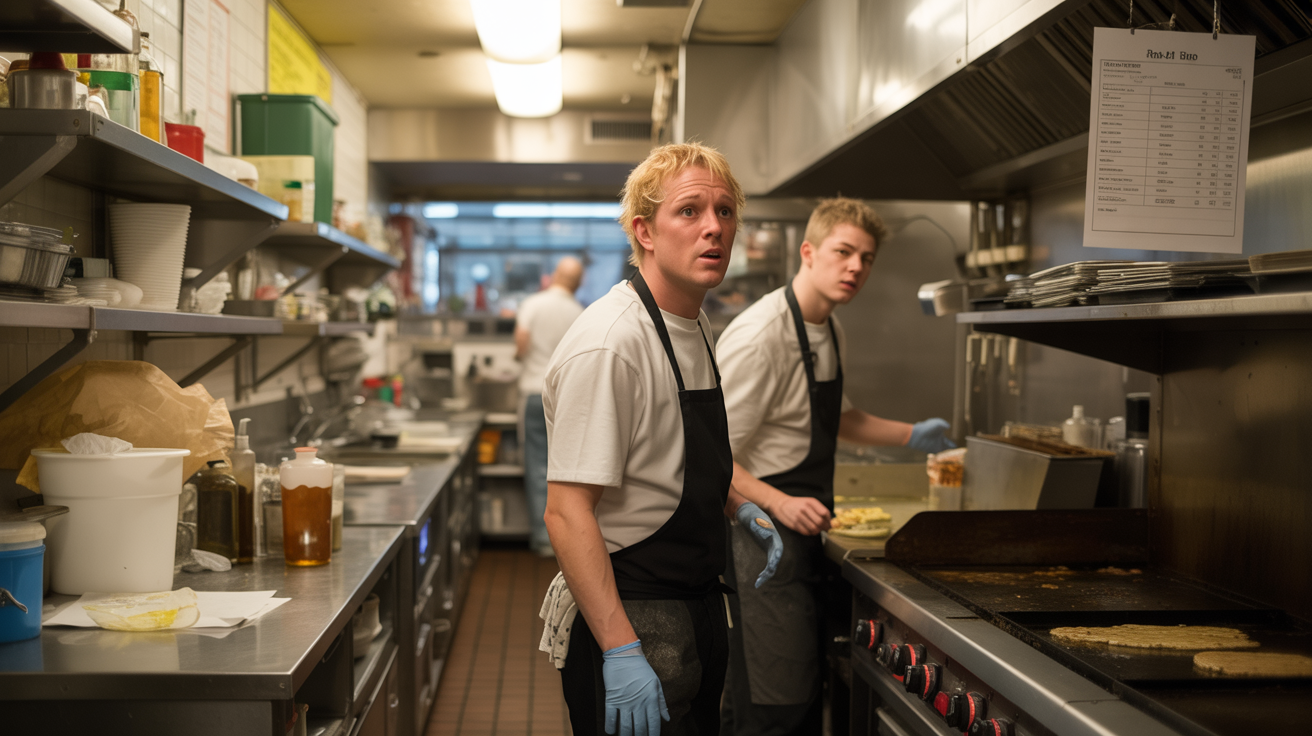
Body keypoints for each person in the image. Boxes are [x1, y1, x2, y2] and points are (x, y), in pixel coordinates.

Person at [541, 143, 783, 736]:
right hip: (631, 612)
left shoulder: (694, 322)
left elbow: (669, 451)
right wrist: (621, 649)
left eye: (725, 212)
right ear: (644, 231)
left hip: (695, 603)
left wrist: (737, 503)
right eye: (690, 211)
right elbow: (567, 512)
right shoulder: (611, 344)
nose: (713, 228)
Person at [717, 197, 955, 736]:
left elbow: (839, 417)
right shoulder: (762, 336)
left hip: (802, 532)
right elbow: (709, 454)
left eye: (866, 258)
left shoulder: (827, 327)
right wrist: (778, 503)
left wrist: (913, 435)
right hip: (758, 536)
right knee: (774, 703)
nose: (855, 267)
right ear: (808, 252)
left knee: (796, 693)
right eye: (843, 252)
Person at [516, 256, 585, 557]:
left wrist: (521, 358)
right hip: (567, 399)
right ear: (578, 283)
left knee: (536, 466)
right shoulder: (580, 312)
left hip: (534, 391)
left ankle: (543, 540)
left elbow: (522, 343)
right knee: (564, 471)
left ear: (554, 276)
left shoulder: (533, 304)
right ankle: (565, 542)